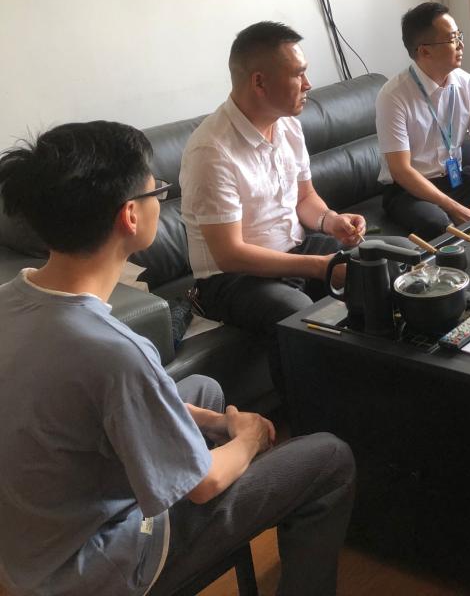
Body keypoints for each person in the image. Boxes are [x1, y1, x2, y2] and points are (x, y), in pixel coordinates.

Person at [0, 121, 355, 596]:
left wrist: (215, 420)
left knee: (204, 390)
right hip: (97, 565)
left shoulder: (12, 298)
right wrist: (248, 436)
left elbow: (102, 405)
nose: (161, 199)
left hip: (30, 547)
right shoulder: (113, 351)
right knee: (329, 458)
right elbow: (204, 485)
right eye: (157, 191)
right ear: (130, 215)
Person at [180, 21, 370, 396]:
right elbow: (229, 254)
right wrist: (320, 266)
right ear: (259, 82)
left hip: (293, 249)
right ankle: (310, 416)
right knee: (299, 313)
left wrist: (332, 221)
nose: (308, 84)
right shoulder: (212, 150)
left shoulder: (288, 127)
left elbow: (305, 199)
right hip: (232, 279)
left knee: (377, 264)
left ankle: (376, 385)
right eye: (298, 74)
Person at [375, 2, 470, 239]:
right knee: (439, 224)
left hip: (455, 180)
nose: (461, 45)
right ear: (425, 51)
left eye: (459, 36)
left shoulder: (467, 83)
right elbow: (401, 170)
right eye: (452, 39)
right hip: (409, 191)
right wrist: (453, 207)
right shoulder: (393, 95)